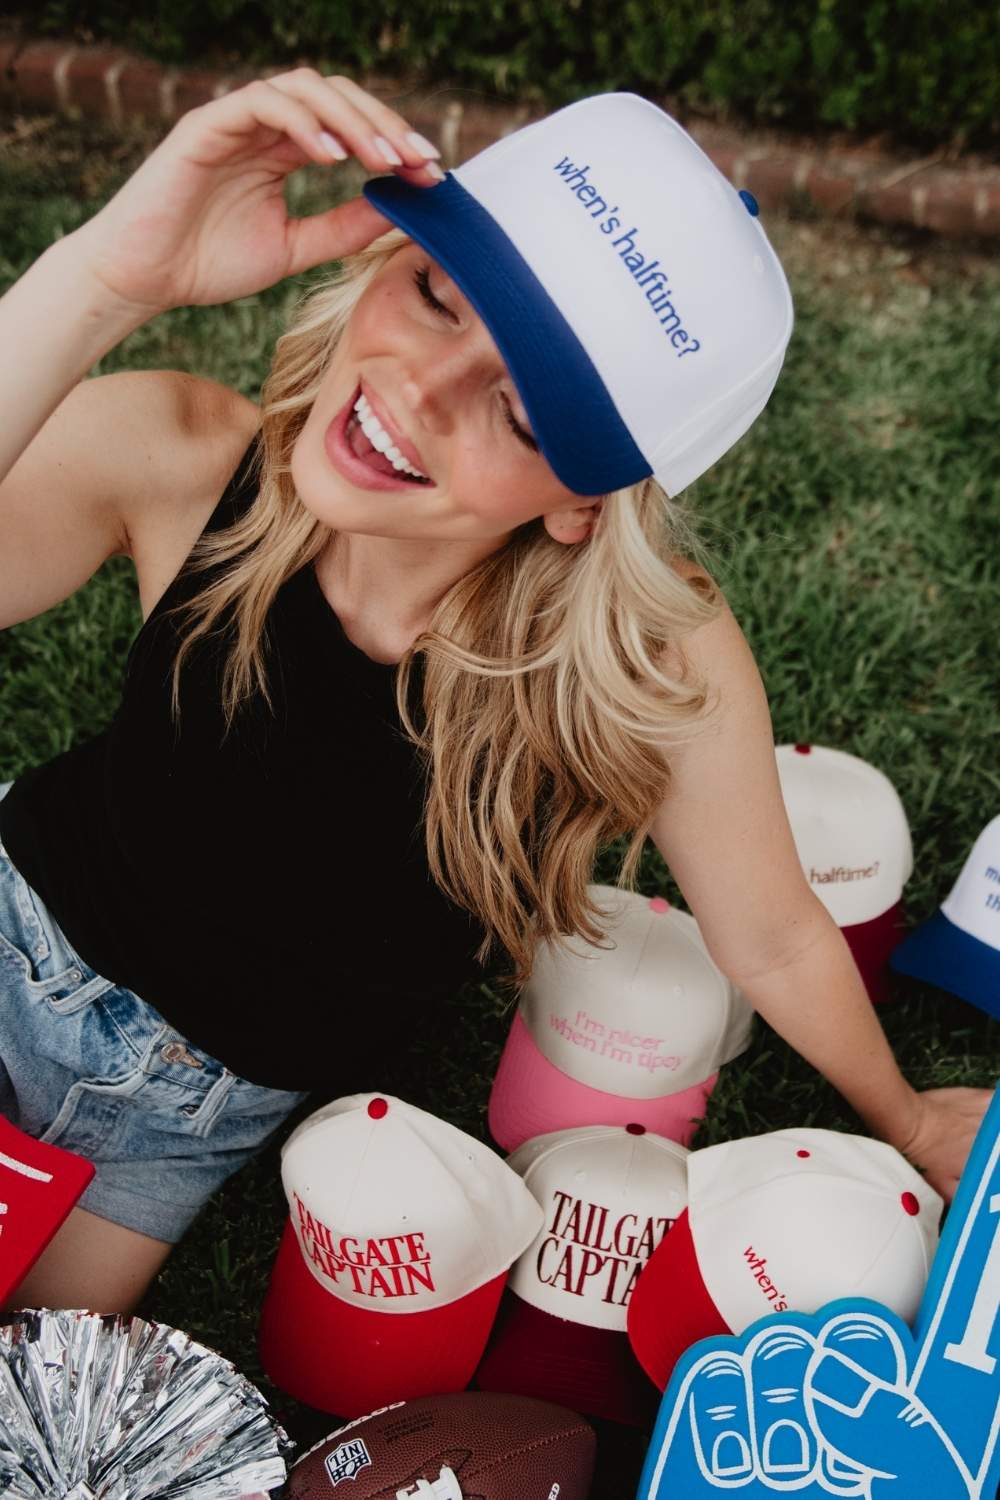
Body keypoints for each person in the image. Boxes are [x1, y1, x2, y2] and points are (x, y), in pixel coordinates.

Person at [0, 72, 989, 1318]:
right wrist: (104, 282)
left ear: (585, 507)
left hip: (175, 1113)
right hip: (17, 900)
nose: (419, 388)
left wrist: (907, 1117)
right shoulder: (185, 456)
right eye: (435, 293)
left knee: (33, 1377)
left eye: (518, 413)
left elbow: (775, 935)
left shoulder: (637, 666)